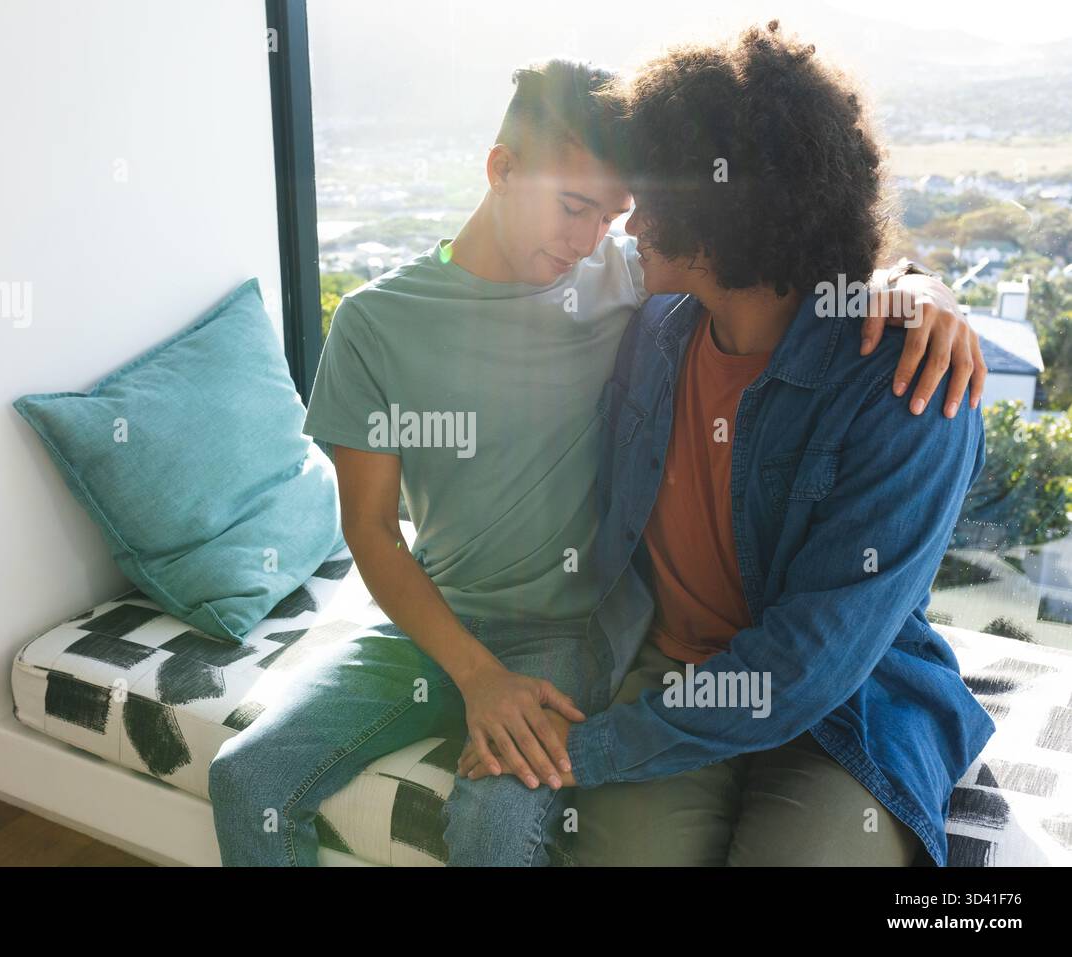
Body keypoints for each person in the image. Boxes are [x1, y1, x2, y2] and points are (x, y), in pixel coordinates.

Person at [209, 54, 983, 866]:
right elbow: (370, 529)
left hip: (702, 673)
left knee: (512, 827)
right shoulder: (611, 318)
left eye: (622, 213)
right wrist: (480, 677)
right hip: (535, 641)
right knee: (254, 779)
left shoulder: (650, 294)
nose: (603, 238)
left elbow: (780, 262)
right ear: (499, 169)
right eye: (584, 208)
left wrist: (918, 284)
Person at [458, 21, 995, 867]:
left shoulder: (910, 390)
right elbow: (506, 278)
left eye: (653, 194)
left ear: (719, 214)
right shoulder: (653, 326)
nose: (629, 218)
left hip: (846, 710)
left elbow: (808, 665)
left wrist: (586, 751)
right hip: (669, 672)